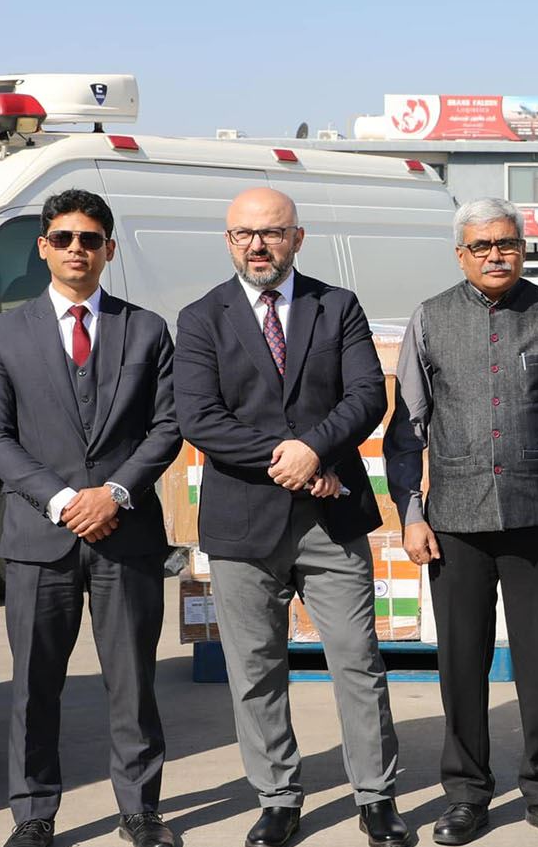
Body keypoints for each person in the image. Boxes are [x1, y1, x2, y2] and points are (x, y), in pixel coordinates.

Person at [173, 187, 409, 847]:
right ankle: (278, 798)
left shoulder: (337, 306)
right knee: (256, 669)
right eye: (244, 233)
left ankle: (376, 797)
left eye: (272, 232)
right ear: (228, 240)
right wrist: (293, 458)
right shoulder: (201, 318)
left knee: (358, 662)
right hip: (243, 524)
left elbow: (367, 394)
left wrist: (315, 449)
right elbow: (199, 417)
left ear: (297, 238)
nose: (258, 245)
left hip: (331, 518)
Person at [385, 197, 538, 846]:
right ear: (461, 254)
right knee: (461, 665)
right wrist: (411, 514)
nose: (496, 255)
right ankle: (465, 795)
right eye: (481, 246)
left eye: (507, 243)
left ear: (523, 249)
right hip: (454, 521)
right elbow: (407, 430)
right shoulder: (430, 319)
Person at [0, 189, 182, 847]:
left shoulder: (147, 329)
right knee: (34, 685)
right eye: (63, 237)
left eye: (90, 239)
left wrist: (113, 493)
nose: (76, 249)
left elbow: (168, 425)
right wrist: (65, 501)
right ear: (43, 247)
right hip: (40, 538)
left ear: (108, 249)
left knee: (133, 682)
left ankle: (141, 811)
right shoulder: (3, 333)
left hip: (127, 534)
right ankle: (34, 814)